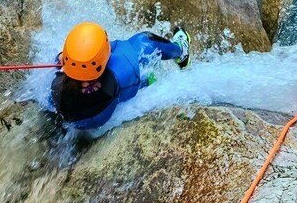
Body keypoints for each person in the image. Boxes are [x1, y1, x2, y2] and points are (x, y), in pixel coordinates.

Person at [50, 22, 191, 130]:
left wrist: (66, 59)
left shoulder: (57, 85)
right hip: (110, 98)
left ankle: (147, 80)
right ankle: (181, 52)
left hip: (79, 119)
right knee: (145, 40)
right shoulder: (121, 71)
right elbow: (120, 46)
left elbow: (64, 64)